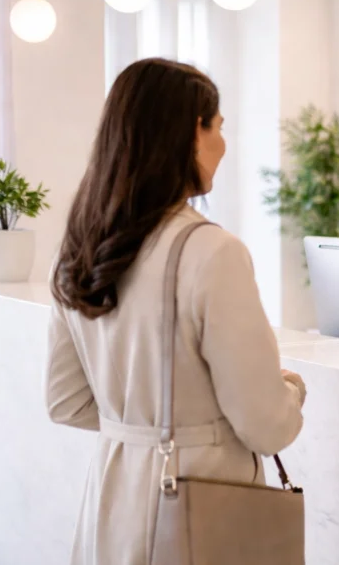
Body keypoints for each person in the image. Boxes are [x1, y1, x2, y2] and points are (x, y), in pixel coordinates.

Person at [46, 58, 307, 565]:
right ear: (192, 132)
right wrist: (292, 390)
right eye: (220, 127)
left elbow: (66, 402)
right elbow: (267, 427)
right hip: (197, 510)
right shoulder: (213, 252)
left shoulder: (80, 245)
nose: (224, 144)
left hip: (111, 502)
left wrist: (137, 424)